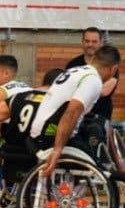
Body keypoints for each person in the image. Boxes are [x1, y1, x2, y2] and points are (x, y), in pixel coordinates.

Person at [29, 45, 121, 176]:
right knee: (104, 173)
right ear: (114, 69)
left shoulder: (74, 71)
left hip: (37, 132)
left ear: (93, 59)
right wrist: (58, 149)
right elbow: (71, 112)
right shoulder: (93, 80)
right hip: (51, 134)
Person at [0, 68, 64, 167]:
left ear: (43, 82)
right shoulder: (60, 102)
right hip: (40, 158)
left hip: (12, 156)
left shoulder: (17, 97)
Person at [66, 27, 118, 124]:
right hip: (77, 116)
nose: (90, 44)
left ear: (101, 43)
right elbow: (67, 89)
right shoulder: (73, 64)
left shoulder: (109, 65)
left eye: (94, 42)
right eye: (87, 41)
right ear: (82, 42)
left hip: (101, 116)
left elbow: (105, 91)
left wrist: (78, 88)